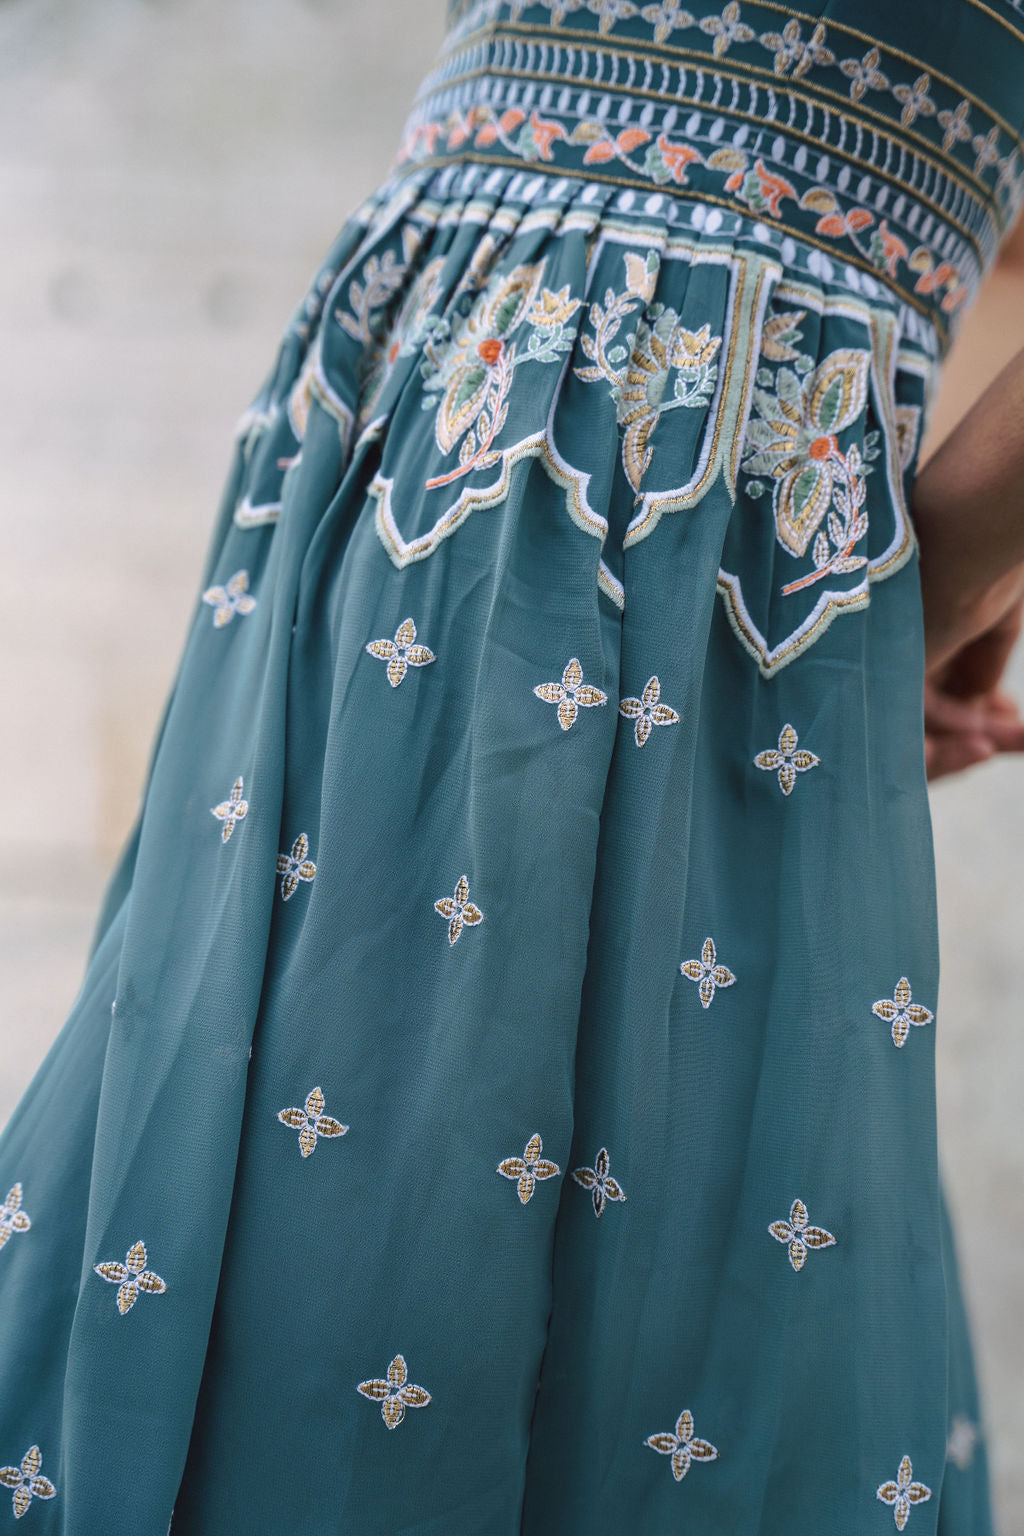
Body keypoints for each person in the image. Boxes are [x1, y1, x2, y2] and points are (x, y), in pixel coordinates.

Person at [0, 1, 1021, 1530]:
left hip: (641, 474)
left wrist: (911, 592)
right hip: (437, 433)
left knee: (427, 1229)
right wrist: (921, 594)